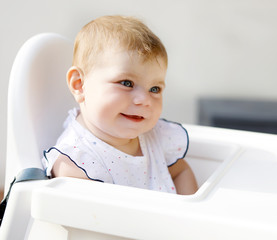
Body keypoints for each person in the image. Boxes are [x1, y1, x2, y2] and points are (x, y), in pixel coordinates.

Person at [42, 15, 198, 195]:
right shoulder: (76, 163)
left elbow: (181, 171)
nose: (144, 99)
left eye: (154, 89)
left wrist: (190, 211)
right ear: (79, 84)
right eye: (126, 83)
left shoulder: (154, 137)